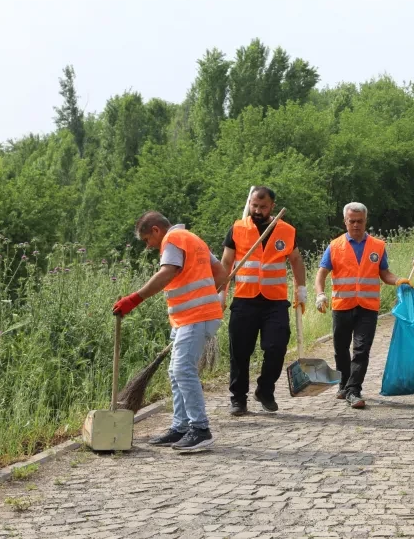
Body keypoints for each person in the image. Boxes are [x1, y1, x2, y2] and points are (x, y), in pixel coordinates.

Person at [113, 211, 228, 452]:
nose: (148, 246)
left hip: (195, 317)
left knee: (182, 370)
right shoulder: (192, 238)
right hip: (190, 317)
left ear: (156, 230)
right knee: (175, 372)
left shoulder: (172, 240)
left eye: (147, 240)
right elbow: (221, 273)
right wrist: (207, 295)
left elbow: (167, 272)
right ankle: (180, 427)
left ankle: (200, 430)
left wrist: (134, 299)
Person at [314, 202, 410, 409]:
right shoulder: (335, 246)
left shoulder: (377, 246)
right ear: (345, 221)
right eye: (352, 221)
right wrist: (320, 294)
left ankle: (354, 390)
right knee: (341, 348)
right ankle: (344, 383)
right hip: (342, 305)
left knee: (361, 349)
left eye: (360, 221)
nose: (356, 225)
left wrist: (398, 280)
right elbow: (321, 273)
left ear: (366, 221)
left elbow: (384, 273)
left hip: (367, 307)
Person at [221, 186, 306, 416]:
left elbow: (296, 260)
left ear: (272, 207)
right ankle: (238, 399)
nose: (257, 211)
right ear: (249, 203)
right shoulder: (237, 229)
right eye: (254, 206)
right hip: (244, 299)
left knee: (277, 347)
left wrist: (302, 290)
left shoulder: (286, 230)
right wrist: (221, 293)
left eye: (263, 207)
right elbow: (226, 263)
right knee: (239, 352)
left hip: (275, 301)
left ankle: (265, 390)